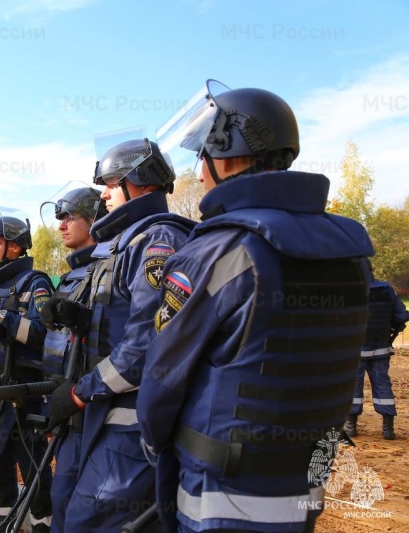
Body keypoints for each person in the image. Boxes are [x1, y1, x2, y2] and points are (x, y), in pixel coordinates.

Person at [136, 84, 374, 532]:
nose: (200, 172)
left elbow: (161, 380)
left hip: (220, 494)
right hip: (305, 483)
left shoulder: (217, 251)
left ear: (224, 157)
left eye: (202, 156)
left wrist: (153, 446)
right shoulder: (350, 249)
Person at [44, 138, 194, 530]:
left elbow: (145, 348)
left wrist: (81, 391)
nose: (105, 194)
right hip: (106, 412)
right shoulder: (128, 243)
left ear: (141, 182)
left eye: (111, 183)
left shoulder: (157, 241)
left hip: (132, 421)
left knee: (89, 521)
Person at [0, 212, 54, 532]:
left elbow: (46, 334)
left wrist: (7, 321)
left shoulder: (35, 282)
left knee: (33, 465)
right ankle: (4, 521)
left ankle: (43, 522)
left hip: (20, 394)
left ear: (17, 247)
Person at [37, 187, 105, 533]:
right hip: (66, 410)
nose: (61, 225)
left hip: (91, 413)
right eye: (59, 218)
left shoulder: (107, 270)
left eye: (69, 217)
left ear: (94, 219)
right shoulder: (70, 276)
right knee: (61, 502)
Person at [344, 274, 408, 440]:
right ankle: (388, 429)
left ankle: (351, 426)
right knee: (383, 385)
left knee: (353, 388)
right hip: (380, 349)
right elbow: (401, 316)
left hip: (355, 351)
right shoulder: (387, 290)